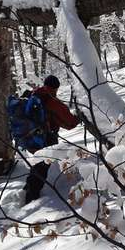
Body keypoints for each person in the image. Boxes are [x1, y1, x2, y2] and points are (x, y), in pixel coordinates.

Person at [24, 75, 79, 204]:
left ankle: (28, 189)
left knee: (38, 165)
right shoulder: (51, 101)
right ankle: (31, 198)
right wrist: (78, 117)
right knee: (42, 167)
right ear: (56, 87)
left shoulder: (34, 95)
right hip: (45, 140)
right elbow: (69, 123)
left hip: (30, 138)